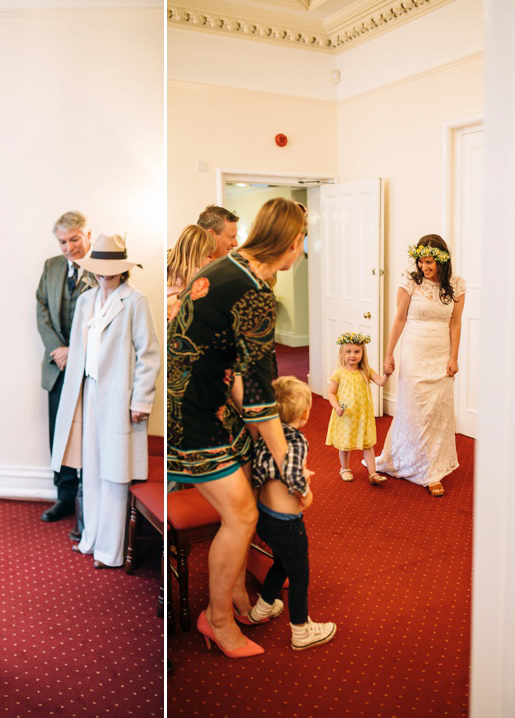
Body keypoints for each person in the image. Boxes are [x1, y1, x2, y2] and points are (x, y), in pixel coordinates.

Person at [168, 196, 306, 658]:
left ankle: (239, 598)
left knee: (244, 495)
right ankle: (218, 619)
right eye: (302, 241)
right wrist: (290, 466)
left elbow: (238, 372)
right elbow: (261, 396)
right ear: (291, 244)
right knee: (243, 514)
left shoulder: (230, 266)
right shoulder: (255, 292)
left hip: (198, 402)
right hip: (189, 413)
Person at [51, 234, 160, 569]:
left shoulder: (135, 301)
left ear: (122, 270)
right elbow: (80, 351)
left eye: (109, 271)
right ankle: (91, 539)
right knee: (91, 470)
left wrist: (140, 401)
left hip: (120, 397)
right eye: (98, 270)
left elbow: (150, 355)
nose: (103, 276)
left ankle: (110, 552)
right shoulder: (86, 301)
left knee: (115, 473)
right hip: (88, 393)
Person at [249, 376, 338, 650]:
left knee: (281, 563)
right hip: (288, 524)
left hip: (265, 518)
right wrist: (307, 493)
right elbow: (292, 475)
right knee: (300, 575)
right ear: (305, 413)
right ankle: (301, 630)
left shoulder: (266, 437)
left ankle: (262, 607)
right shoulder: (297, 440)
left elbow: (263, 470)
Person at [376, 235, 466, 497]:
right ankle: (418, 466)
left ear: (441, 261)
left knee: (437, 413)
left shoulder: (456, 285)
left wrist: (454, 357)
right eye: (421, 261)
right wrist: (389, 354)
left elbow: (455, 323)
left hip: (441, 354)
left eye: (429, 262)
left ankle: (433, 468)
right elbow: (399, 319)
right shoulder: (410, 282)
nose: (424, 267)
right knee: (416, 411)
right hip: (414, 353)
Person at [36, 211, 93, 532]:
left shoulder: (105, 266)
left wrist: (78, 352)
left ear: (87, 235)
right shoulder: (51, 267)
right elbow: (41, 310)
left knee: (88, 433)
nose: (69, 247)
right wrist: (59, 350)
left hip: (92, 368)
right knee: (60, 432)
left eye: (74, 239)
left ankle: (89, 497)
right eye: (63, 242)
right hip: (58, 367)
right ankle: (65, 495)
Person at [326, 332, 389, 485]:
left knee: (368, 444)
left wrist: (387, 374)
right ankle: (345, 468)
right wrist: (336, 407)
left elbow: (380, 382)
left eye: (356, 351)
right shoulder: (339, 373)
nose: (352, 355)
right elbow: (331, 393)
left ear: (362, 353)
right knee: (345, 444)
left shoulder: (366, 371)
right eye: (348, 351)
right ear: (342, 353)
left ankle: (372, 473)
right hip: (346, 415)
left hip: (363, 416)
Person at [166, 224, 215, 318]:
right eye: (209, 256)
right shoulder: (197, 275)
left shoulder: (168, 267)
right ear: (197, 255)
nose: (210, 260)